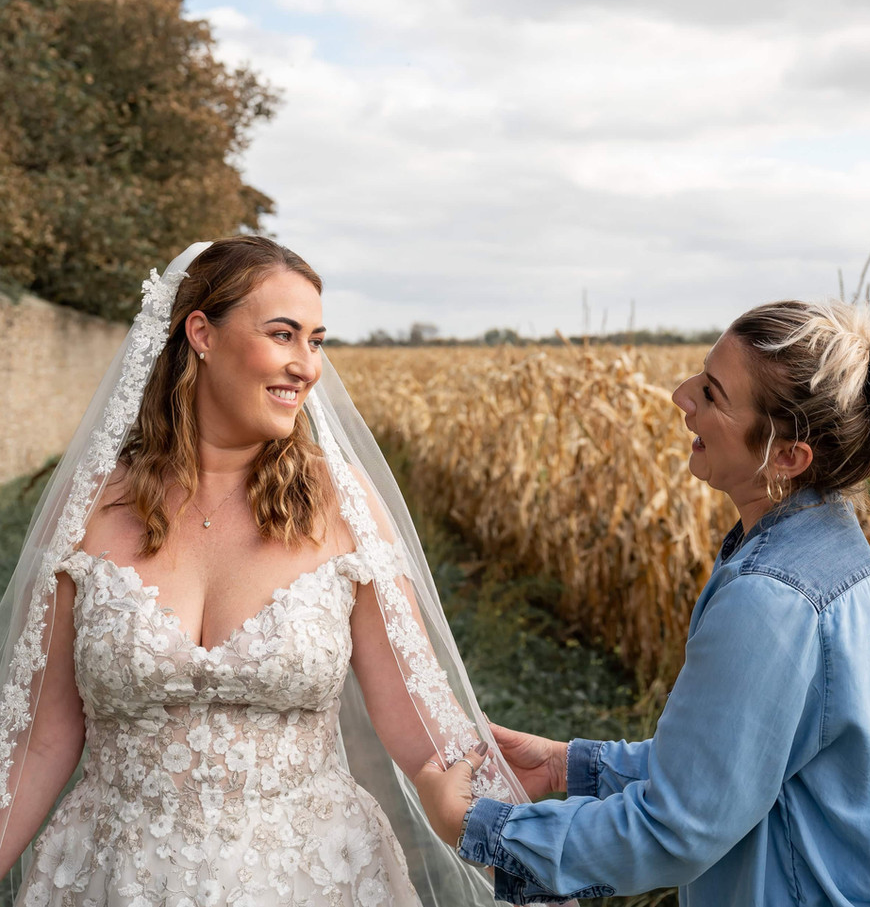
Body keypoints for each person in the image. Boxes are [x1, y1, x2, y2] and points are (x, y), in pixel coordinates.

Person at [0, 237, 523, 907]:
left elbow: (427, 735)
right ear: (202, 333)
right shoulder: (89, 509)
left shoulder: (342, 507)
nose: (306, 366)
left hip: (313, 879)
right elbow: (40, 742)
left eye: (316, 341)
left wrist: (522, 854)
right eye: (284, 335)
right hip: (114, 878)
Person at [415, 300, 870, 906]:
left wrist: (482, 830)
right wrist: (563, 766)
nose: (682, 397)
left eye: (711, 393)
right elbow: (738, 763)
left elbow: (675, 829)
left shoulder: (773, 597)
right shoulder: (834, 557)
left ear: (786, 457)